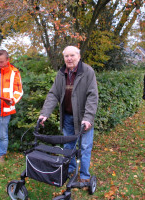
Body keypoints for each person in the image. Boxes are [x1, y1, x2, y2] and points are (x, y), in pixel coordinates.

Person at [38, 46, 98, 182]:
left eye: (72, 55)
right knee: (68, 146)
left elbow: (92, 97)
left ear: (79, 56)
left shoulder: (88, 72)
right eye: (66, 56)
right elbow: (53, 94)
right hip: (67, 117)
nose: (69, 58)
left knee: (85, 147)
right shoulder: (61, 73)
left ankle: (84, 176)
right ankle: (70, 170)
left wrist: (88, 118)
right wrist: (44, 114)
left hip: (83, 118)